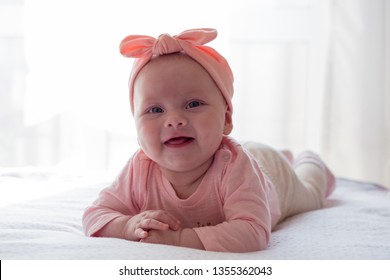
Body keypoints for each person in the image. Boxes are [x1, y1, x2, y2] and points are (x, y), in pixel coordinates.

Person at [82, 28, 335, 252]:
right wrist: (127, 225)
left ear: (226, 119)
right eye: (155, 110)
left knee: (312, 194)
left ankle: (309, 160)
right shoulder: (140, 168)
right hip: (251, 156)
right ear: (136, 127)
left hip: (273, 176)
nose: (174, 120)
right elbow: (94, 216)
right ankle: (288, 154)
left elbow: (253, 232)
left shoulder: (234, 166)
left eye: (193, 104)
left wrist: (179, 239)